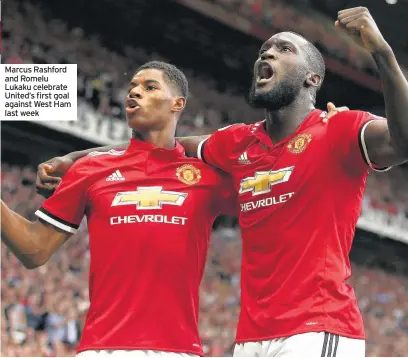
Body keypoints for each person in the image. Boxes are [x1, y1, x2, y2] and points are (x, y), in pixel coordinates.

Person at [35, 8, 405, 357]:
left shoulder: (338, 129)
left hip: (319, 327)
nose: (269, 54)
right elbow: (165, 146)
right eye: (265, 49)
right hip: (251, 337)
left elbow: (401, 142)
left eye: (284, 49)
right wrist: (76, 158)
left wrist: (384, 54)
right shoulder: (238, 142)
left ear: (313, 79)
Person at [2, 61, 240, 358]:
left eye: (149, 87)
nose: (135, 92)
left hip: (178, 350)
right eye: (132, 87)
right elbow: (34, 249)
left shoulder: (207, 176)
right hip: (102, 349)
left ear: (178, 104)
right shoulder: (90, 170)